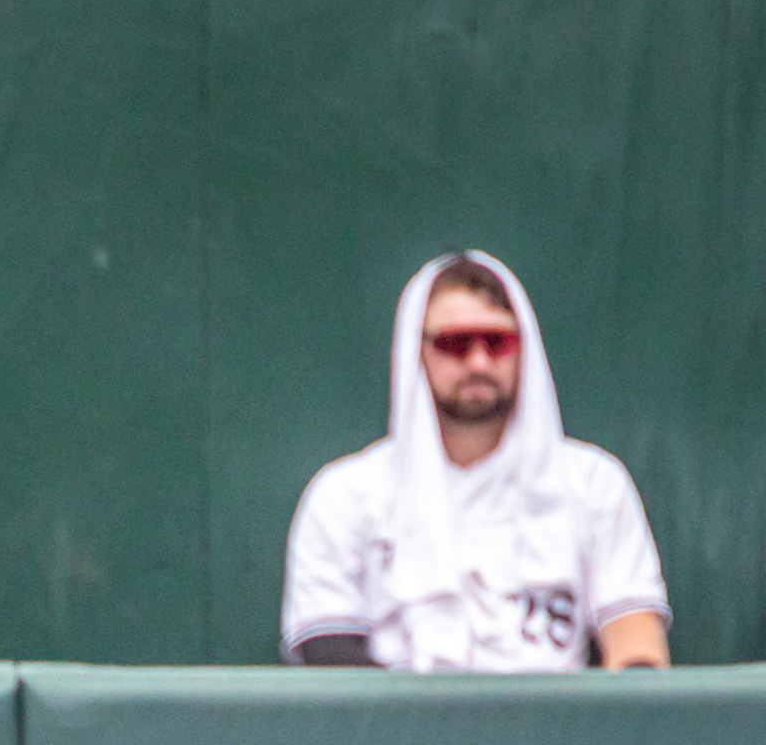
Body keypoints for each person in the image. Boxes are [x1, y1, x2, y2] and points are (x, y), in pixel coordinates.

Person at [281, 251, 669, 671]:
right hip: (401, 710)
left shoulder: (594, 482)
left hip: (552, 710)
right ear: (416, 350)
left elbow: (637, 645)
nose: (479, 361)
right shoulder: (345, 494)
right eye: (455, 343)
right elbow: (330, 659)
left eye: (498, 342)